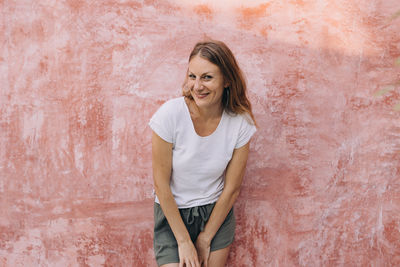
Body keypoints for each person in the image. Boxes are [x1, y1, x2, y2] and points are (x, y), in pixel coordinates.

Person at [149, 40, 257, 267]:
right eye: (192, 76)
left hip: (215, 214)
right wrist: (184, 241)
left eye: (207, 77)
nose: (197, 86)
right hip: (173, 214)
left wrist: (206, 237)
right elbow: (161, 185)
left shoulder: (240, 123)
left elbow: (232, 189)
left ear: (227, 80)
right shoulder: (170, 114)